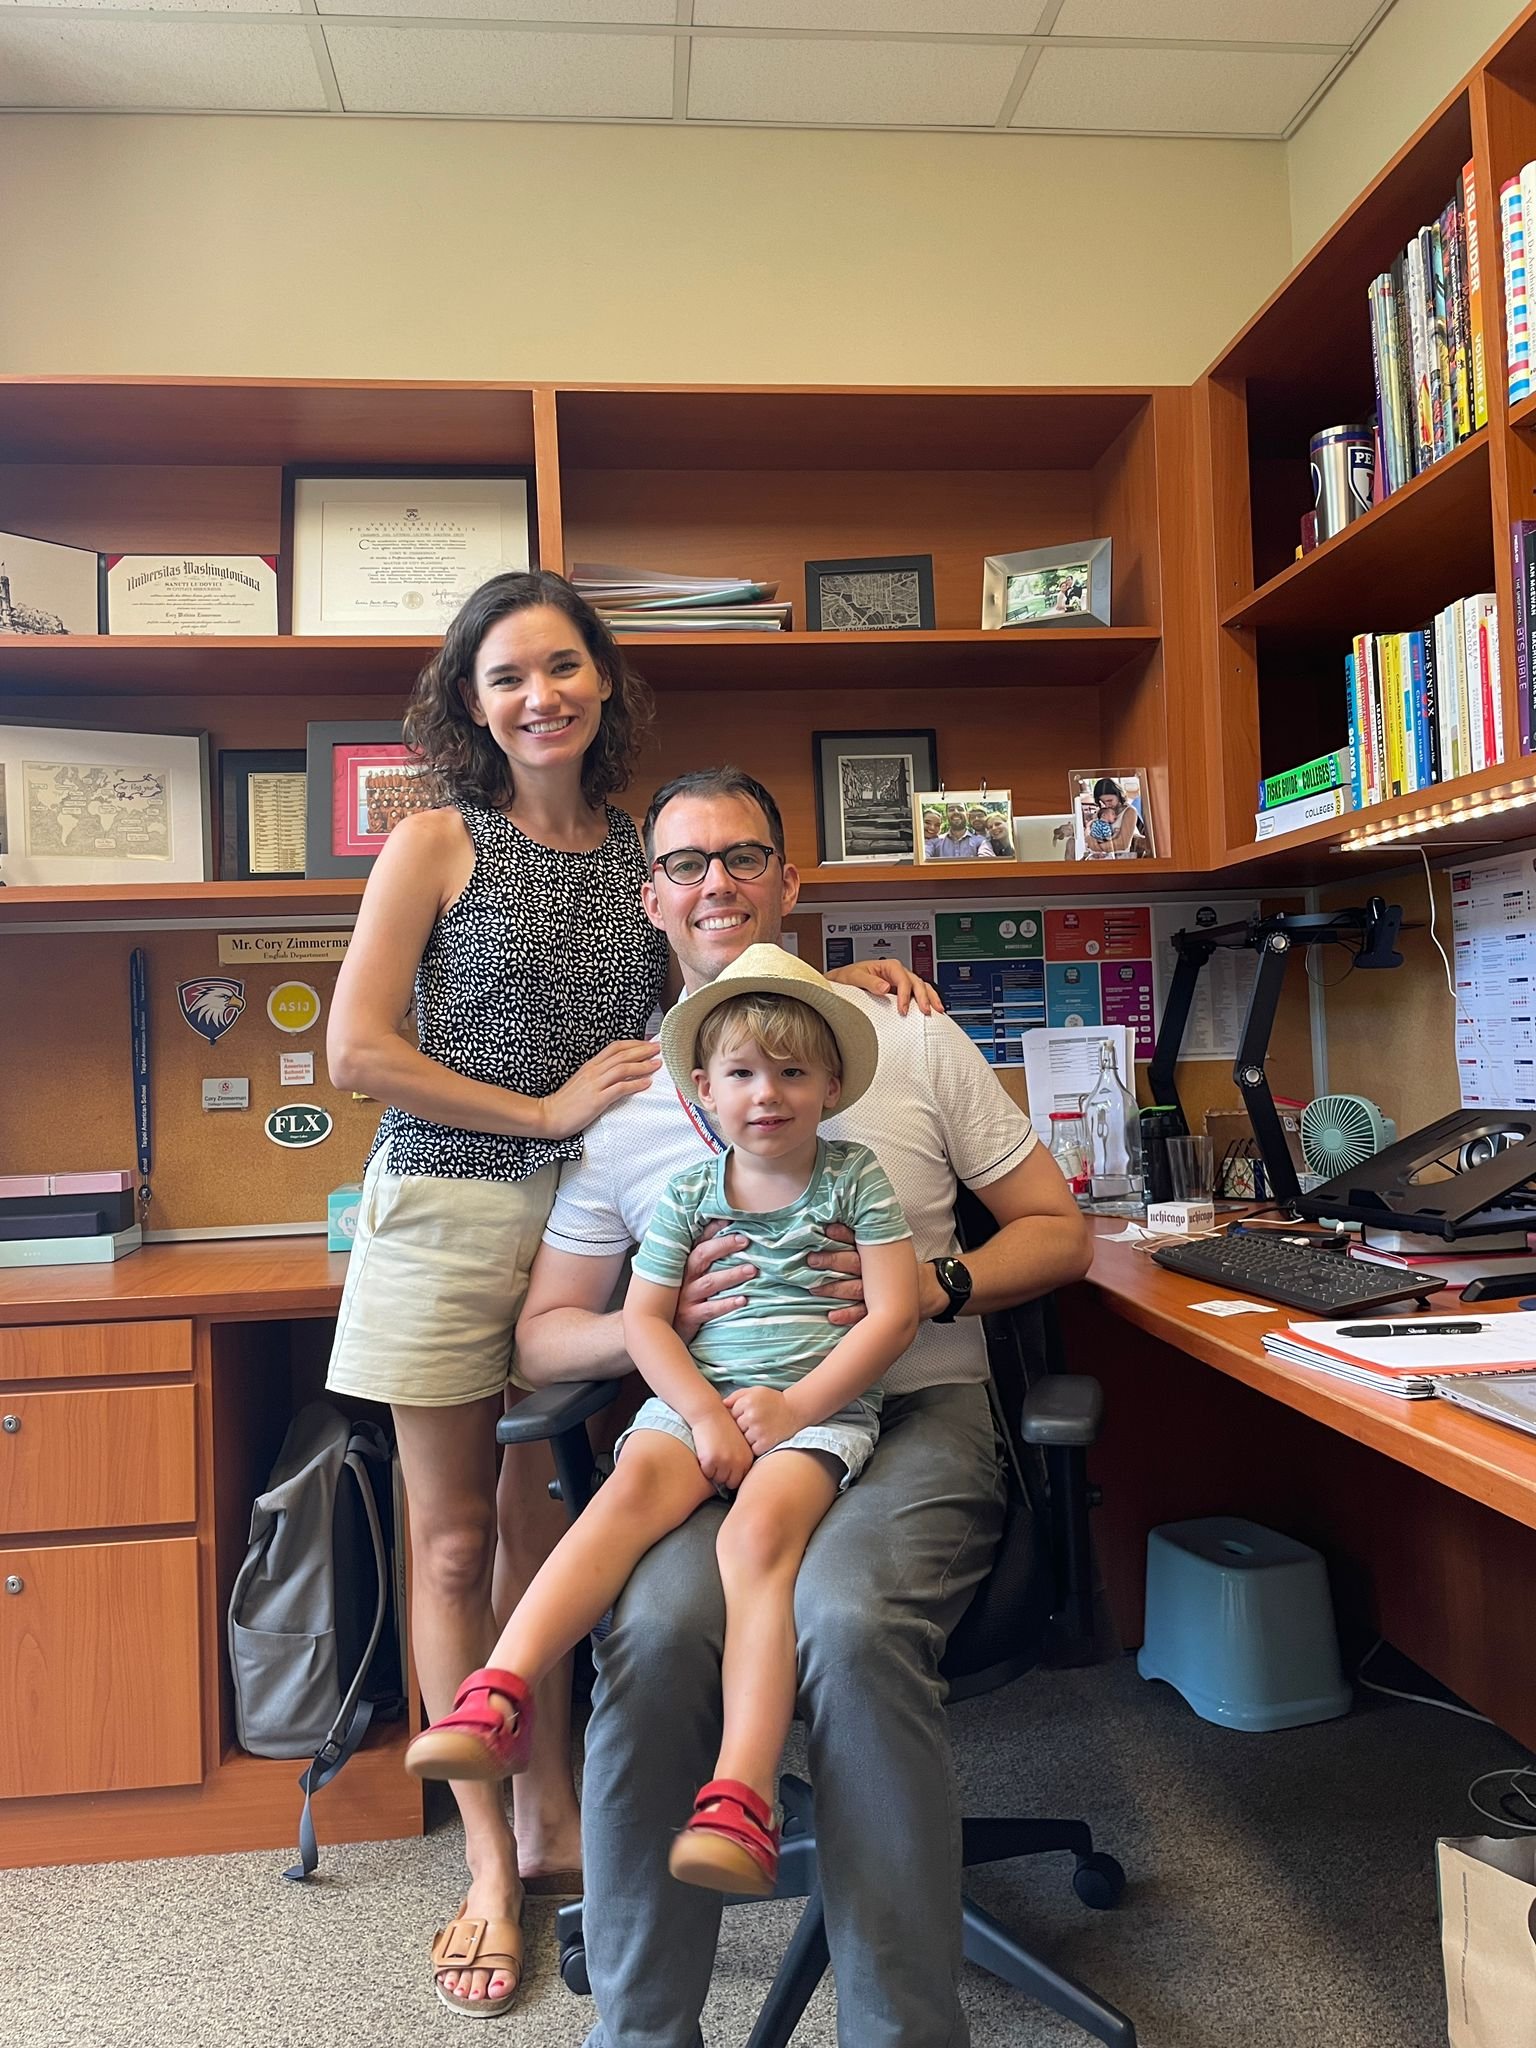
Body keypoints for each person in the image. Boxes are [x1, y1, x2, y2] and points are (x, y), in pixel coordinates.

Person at [514, 766, 1094, 2048]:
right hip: (713, 1440)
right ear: (650, 896)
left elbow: (1059, 1236)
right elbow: (543, 1333)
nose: (714, 882)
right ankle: (645, 2029)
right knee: (656, 1632)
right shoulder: (622, 1111)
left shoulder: (914, 1041)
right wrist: (648, 1321)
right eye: (683, 863)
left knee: (844, 1613)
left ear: (793, 880)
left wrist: (940, 1284)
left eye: (743, 855)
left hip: (914, 1416)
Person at [405, 949, 920, 1908]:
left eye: (794, 1073)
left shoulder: (858, 1180)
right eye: (743, 1075)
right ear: (703, 1091)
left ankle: (741, 1797)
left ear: (833, 1086)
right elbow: (644, 1321)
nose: (768, 1095)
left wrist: (792, 1410)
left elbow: (893, 1316)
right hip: (693, 1399)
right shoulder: (689, 1193)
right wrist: (696, 1414)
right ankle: (501, 1693)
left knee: (756, 1540)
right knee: (624, 1494)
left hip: (815, 1415)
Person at [1083, 776, 1148, 858]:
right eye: (1102, 801)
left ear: (1119, 795)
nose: (1107, 805)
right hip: (1102, 856)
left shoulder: (1129, 812)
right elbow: (1089, 829)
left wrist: (1097, 847)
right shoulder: (1102, 811)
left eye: (1110, 800)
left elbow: (1123, 843)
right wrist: (1089, 837)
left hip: (1122, 857)